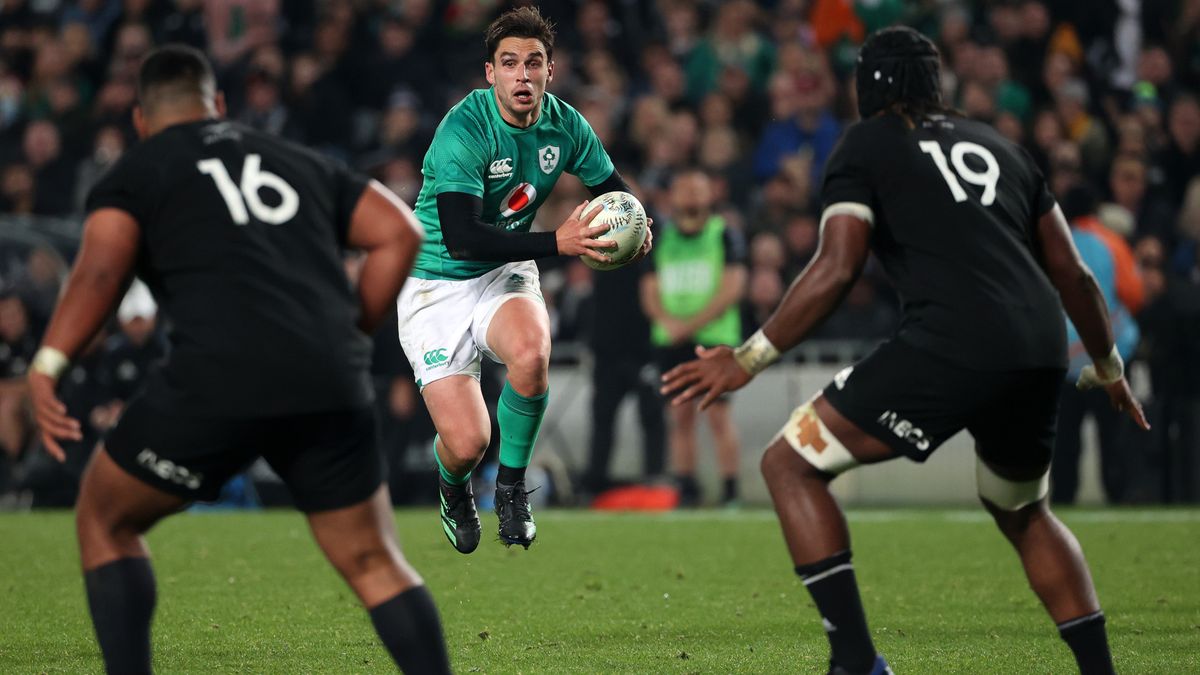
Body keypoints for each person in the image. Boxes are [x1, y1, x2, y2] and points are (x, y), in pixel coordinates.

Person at [662, 27, 1149, 675]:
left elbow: (837, 267)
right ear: (935, 82)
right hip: (1039, 345)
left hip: (951, 338)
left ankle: (857, 662)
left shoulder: (866, 143)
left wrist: (747, 357)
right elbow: (1075, 275)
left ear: (869, 86)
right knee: (1026, 511)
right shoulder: (1004, 146)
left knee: (789, 463)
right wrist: (1109, 365)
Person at [26, 45, 451, 674]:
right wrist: (352, 328)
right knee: (373, 561)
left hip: (219, 377)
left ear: (142, 119)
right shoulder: (297, 160)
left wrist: (46, 366)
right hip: (326, 375)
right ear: (218, 105)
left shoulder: (139, 169)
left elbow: (99, 271)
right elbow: (401, 234)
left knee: (104, 516)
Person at [399, 7, 651, 553]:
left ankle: (511, 489)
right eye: (509, 63)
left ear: (549, 72)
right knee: (467, 442)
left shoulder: (566, 125)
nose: (522, 75)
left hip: (503, 271)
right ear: (490, 73)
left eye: (533, 63)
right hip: (433, 284)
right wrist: (556, 244)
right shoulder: (463, 128)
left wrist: (636, 224)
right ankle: (453, 484)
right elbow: (463, 237)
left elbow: (612, 189)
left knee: (532, 355)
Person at [640, 169, 746, 506]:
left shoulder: (725, 234)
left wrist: (688, 324)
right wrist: (668, 322)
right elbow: (649, 292)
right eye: (683, 188)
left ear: (711, 194)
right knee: (680, 415)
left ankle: (730, 490)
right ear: (672, 196)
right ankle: (687, 487)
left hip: (714, 338)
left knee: (718, 414)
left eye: (698, 188)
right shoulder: (659, 238)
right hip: (670, 340)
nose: (690, 196)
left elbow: (733, 288)